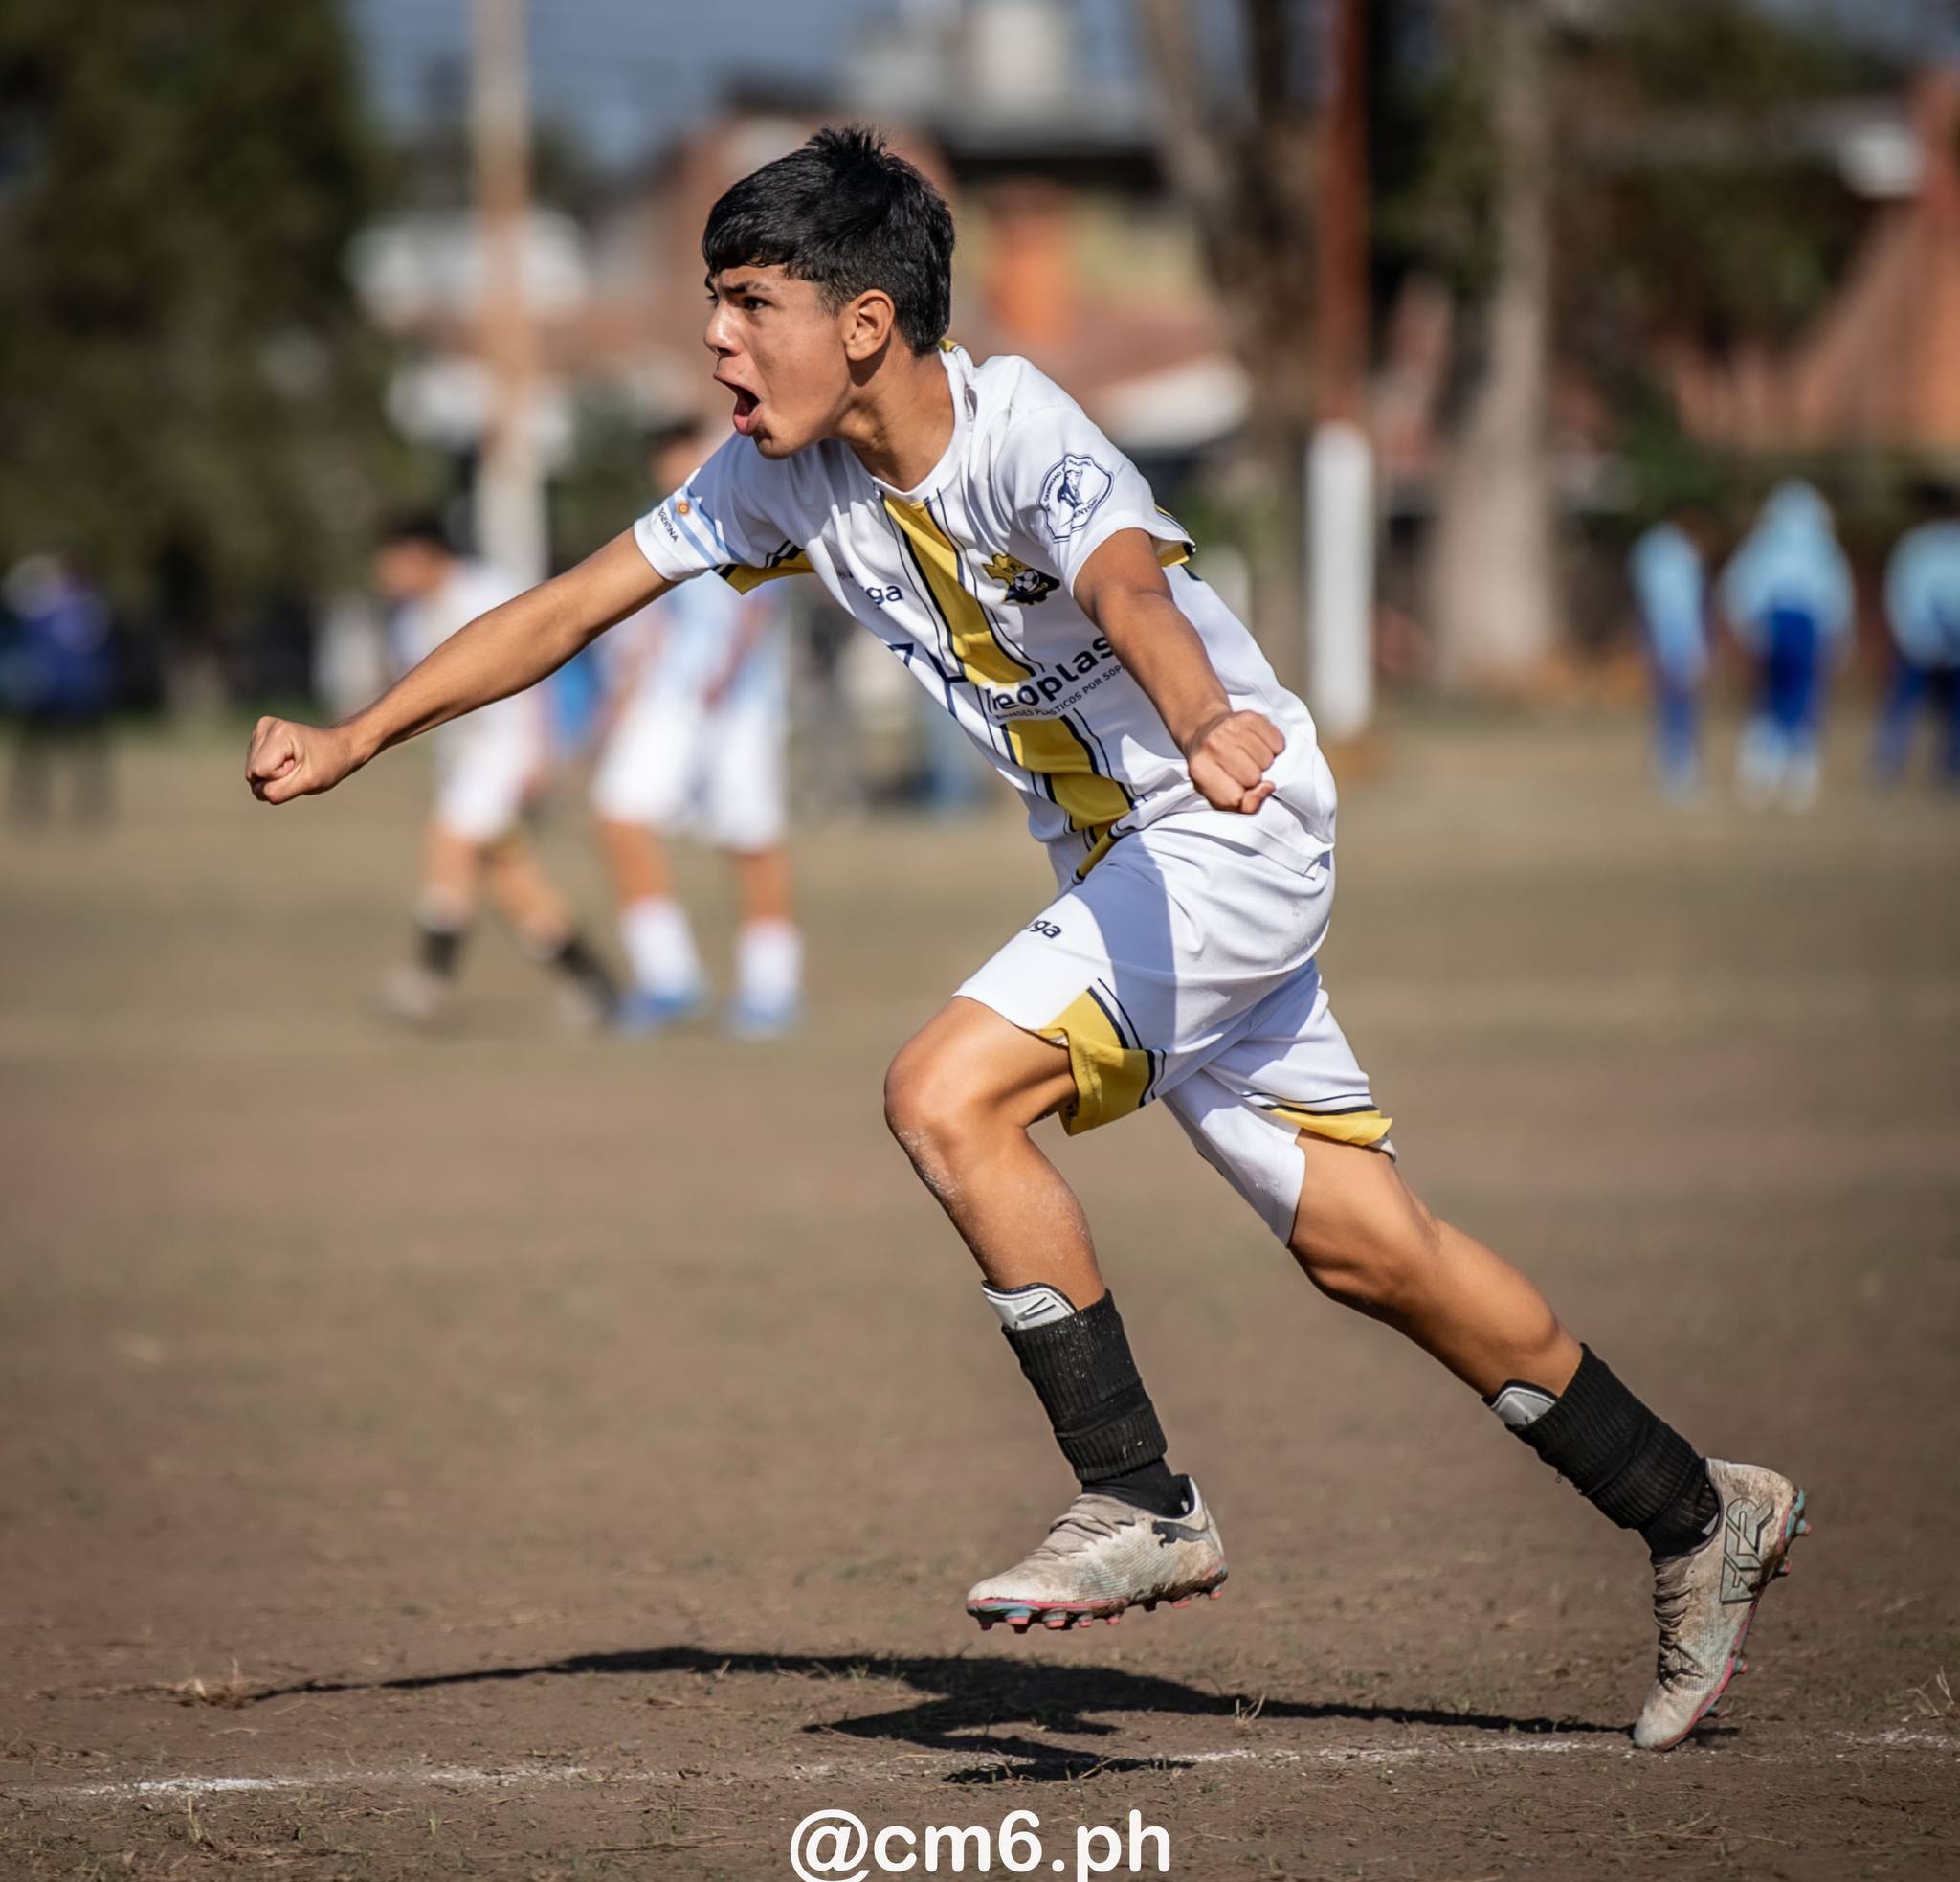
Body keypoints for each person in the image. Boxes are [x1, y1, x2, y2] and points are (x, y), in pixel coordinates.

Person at [246, 129, 1806, 1751]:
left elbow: (1126, 584)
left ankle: (1136, 1493)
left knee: (945, 1092)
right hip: (1135, 866)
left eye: (745, 300)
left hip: (1224, 826)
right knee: (1365, 1246)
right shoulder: (778, 476)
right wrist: (362, 736)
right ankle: (1697, 1507)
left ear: (864, 321)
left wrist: (1201, 720)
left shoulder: (1018, 431)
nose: (714, 336)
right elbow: (567, 606)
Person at [590, 422, 802, 1037]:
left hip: (741, 707)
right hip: (674, 700)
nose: (671, 469)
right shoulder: (659, 521)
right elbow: (648, 624)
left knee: (751, 839)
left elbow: (761, 606)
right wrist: (620, 701)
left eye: (680, 456)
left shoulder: (748, 507)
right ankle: (668, 979)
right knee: (618, 815)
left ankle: (771, 988)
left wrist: (729, 672)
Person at [369, 515, 616, 1029]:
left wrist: (541, 753)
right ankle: (594, 984)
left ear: (419, 554)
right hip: (468, 759)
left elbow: (539, 667)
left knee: (450, 839)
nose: (384, 575)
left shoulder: (484, 592)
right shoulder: (410, 620)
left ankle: (431, 974)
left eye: (391, 561)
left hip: (510, 749)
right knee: (510, 878)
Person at [1719, 482, 1854, 811]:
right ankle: (1784, 776)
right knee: (1797, 701)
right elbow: (1837, 597)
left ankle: (1773, 775)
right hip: (1795, 625)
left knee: (1774, 701)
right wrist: (1838, 638)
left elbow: (1736, 587)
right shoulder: (1820, 549)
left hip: (1782, 625)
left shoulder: (1764, 545)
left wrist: (1749, 627)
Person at [4, 552, 116, 826]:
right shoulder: (90, 605)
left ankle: (38, 805)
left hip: (53, 690)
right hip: (75, 690)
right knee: (75, 752)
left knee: (40, 751)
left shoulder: (44, 607)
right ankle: (82, 805)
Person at [1873, 485, 1960, 786]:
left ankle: (1951, 769)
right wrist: (1913, 632)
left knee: (1955, 712)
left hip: (1953, 645)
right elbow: (1901, 593)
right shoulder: (1917, 546)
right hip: (1917, 642)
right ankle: (1888, 763)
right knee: (1903, 704)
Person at [1626, 514, 1708, 799]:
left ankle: (1676, 761)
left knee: (1673, 700)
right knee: (1675, 701)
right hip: (1669, 634)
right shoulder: (1673, 554)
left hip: (1667, 633)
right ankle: (1676, 762)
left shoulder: (1652, 550)